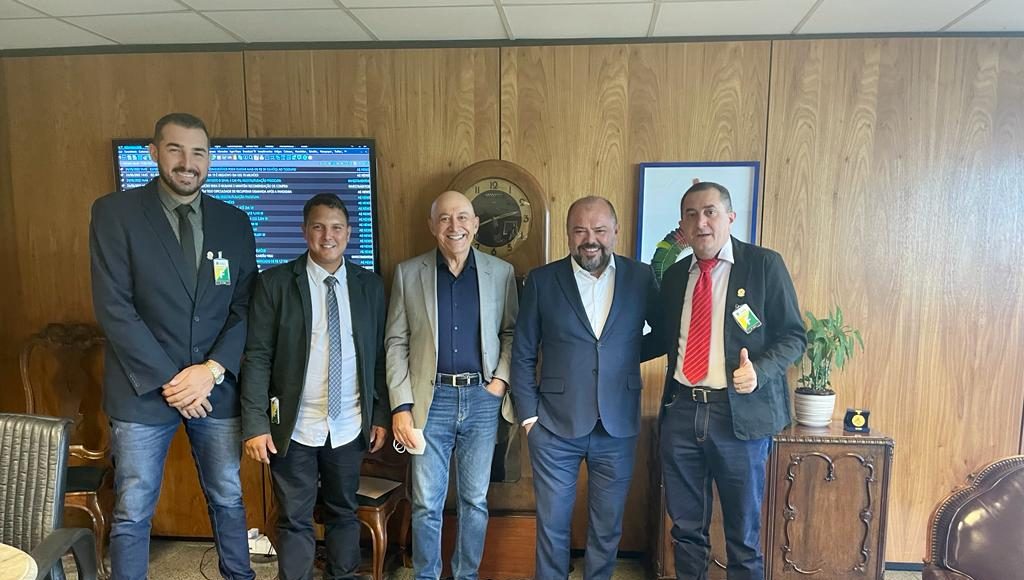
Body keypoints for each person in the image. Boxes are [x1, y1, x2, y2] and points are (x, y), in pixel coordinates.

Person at [89, 112, 257, 580]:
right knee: (133, 507)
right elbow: (114, 308)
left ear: (209, 159)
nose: (188, 162)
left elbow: (246, 306)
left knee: (228, 496)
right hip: (142, 390)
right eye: (176, 149)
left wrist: (211, 370)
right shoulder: (114, 213)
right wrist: (173, 381)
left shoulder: (234, 222)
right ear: (154, 153)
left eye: (198, 152)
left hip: (214, 388)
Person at [652, 181, 805, 580]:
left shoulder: (763, 265)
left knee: (743, 535)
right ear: (682, 226)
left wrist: (760, 370)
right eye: (691, 215)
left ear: (730, 217)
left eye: (710, 212)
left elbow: (794, 336)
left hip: (739, 417)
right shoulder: (675, 278)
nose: (701, 222)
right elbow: (663, 339)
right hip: (682, 412)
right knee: (686, 530)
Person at [510, 195, 660, 580]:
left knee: (607, 528)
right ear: (568, 234)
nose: (590, 239)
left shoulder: (640, 278)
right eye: (580, 230)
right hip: (553, 427)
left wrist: (622, 355)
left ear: (615, 232)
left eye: (599, 230)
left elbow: (663, 334)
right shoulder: (542, 281)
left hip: (618, 425)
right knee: (552, 527)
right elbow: (523, 352)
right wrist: (529, 418)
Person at [240, 193, 388, 580]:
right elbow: (257, 356)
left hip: (349, 423)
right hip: (294, 426)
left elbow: (378, 358)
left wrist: (380, 416)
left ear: (349, 233)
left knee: (343, 512)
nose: (328, 236)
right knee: (294, 518)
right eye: (319, 227)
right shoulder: (275, 284)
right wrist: (255, 424)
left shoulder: (370, 286)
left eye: (336, 228)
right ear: (305, 232)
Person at [385, 190, 518, 580]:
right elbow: (396, 342)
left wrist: (500, 381)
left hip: (482, 399)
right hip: (430, 401)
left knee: (475, 501)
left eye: (462, 217)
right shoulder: (409, 273)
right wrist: (401, 405)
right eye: (444, 218)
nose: (454, 226)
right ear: (432, 226)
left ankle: (466, 575)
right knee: (427, 502)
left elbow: (512, 332)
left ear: (475, 224)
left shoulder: (501, 273)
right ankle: (426, 575)